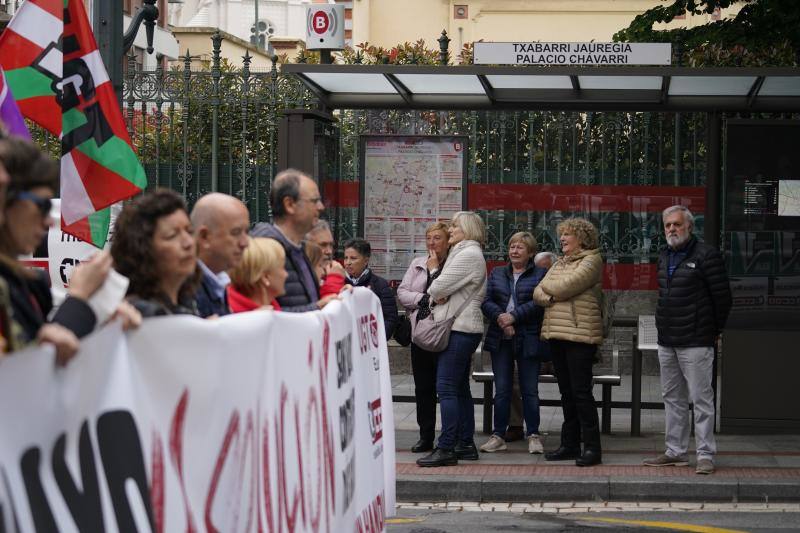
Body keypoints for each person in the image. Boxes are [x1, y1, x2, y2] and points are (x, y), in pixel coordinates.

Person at [0, 137, 137, 363]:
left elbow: (49, 360)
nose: (48, 222)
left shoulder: (31, 284)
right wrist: (79, 298)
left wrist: (99, 316)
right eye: (42, 206)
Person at [643, 205, 731, 475]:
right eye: (667, 225)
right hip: (667, 339)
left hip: (696, 340)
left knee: (701, 399)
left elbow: (723, 298)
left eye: (677, 224)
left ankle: (705, 455)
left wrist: (713, 330)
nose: (671, 229)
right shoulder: (663, 255)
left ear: (689, 227)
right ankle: (676, 452)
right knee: (672, 398)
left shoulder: (706, 255)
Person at [417, 212, 486, 468]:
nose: (452, 228)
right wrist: (441, 290)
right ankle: (465, 443)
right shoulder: (466, 253)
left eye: (456, 225)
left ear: (467, 229)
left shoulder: (468, 254)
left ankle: (446, 447)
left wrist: (434, 272)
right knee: (459, 388)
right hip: (463, 327)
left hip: (461, 328)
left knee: (445, 387)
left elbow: (436, 288)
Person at [534, 217, 604, 467]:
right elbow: (537, 291)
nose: (562, 238)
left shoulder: (592, 260)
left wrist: (551, 291)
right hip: (557, 334)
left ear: (582, 239)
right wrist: (552, 293)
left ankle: (592, 448)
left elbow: (565, 287)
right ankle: (570, 444)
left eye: (567, 234)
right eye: (561, 234)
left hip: (580, 335)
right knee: (566, 393)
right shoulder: (561, 262)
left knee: (581, 393)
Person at [479, 232, 547, 455]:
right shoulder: (498, 272)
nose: (514, 251)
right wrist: (501, 318)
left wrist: (514, 317)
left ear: (530, 252)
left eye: (520, 247)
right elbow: (486, 300)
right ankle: (498, 435)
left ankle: (534, 435)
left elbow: (539, 303)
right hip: (501, 337)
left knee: (529, 390)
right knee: (503, 389)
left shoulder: (540, 274)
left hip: (527, 336)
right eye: (512, 246)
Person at [397, 221, 450, 453]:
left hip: (444, 332)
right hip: (420, 332)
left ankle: (450, 437)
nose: (432, 242)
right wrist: (424, 300)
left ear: (448, 241)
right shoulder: (417, 263)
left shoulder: (453, 264)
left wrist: (434, 270)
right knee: (423, 388)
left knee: (447, 388)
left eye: (437, 238)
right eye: (429, 238)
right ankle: (425, 436)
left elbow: (444, 293)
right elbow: (402, 293)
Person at [251, 169, 336, 311]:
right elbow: (257, 316)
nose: (321, 207)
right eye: (314, 201)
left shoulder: (299, 249)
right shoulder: (263, 251)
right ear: (289, 204)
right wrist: (316, 308)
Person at [112, 189, 200, 318]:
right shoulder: (136, 315)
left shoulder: (190, 304)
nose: (188, 243)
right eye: (172, 236)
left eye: (190, 231)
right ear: (141, 249)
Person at [190, 193, 250, 317]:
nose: (245, 243)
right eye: (236, 233)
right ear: (204, 236)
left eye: (246, 232)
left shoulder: (216, 281)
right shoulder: (184, 287)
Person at [343, 238, 398, 340]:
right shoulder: (338, 283)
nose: (348, 262)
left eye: (353, 258)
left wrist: (375, 341)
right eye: (346, 258)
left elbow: (390, 318)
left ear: (366, 261)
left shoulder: (380, 285)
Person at [227, 237, 289, 312]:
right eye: (282, 268)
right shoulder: (230, 315)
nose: (286, 275)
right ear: (265, 277)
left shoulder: (271, 306)